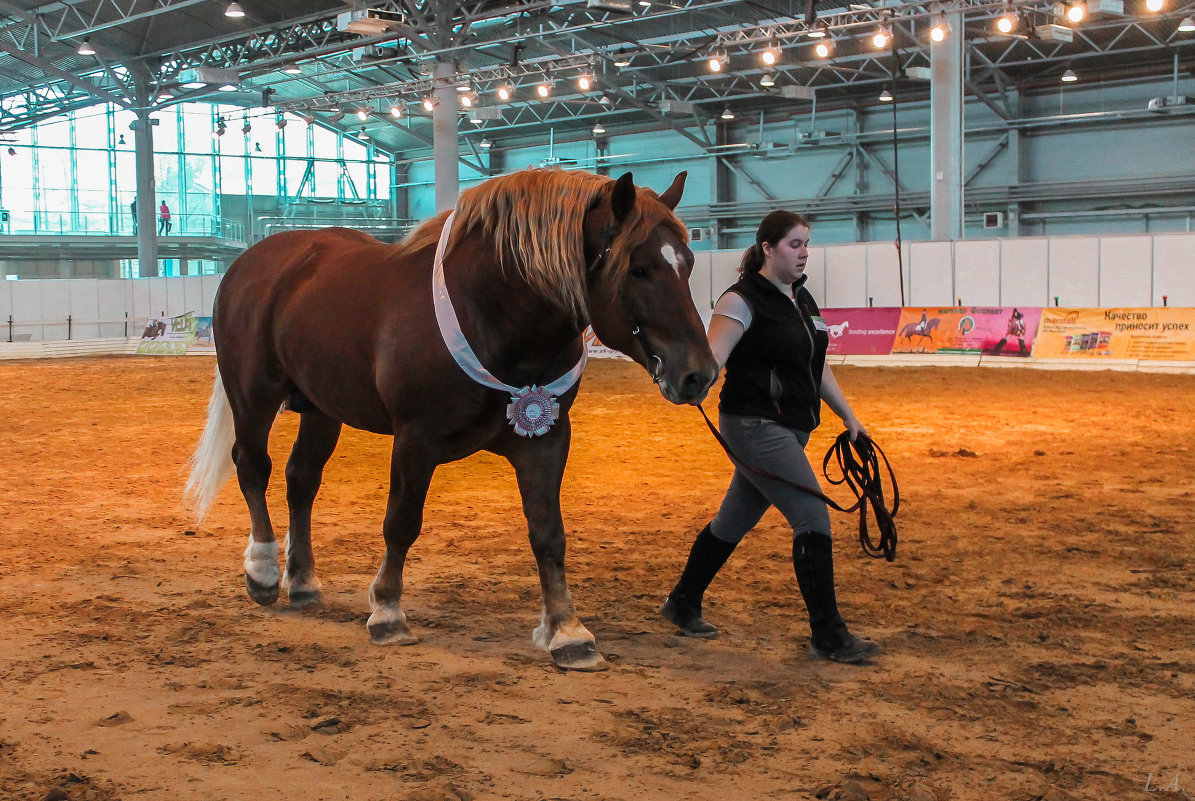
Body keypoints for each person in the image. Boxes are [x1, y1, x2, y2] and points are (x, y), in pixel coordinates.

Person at [660, 210, 880, 663]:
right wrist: (697, 380)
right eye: (794, 244)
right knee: (812, 517)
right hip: (755, 425)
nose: (803, 253)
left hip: (789, 428)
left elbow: (816, 368)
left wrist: (849, 417)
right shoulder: (741, 299)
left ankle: (682, 601)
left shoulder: (803, 301)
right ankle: (828, 634)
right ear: (767, 248)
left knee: (732, 521)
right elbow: (714, 353)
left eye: (806, 244)